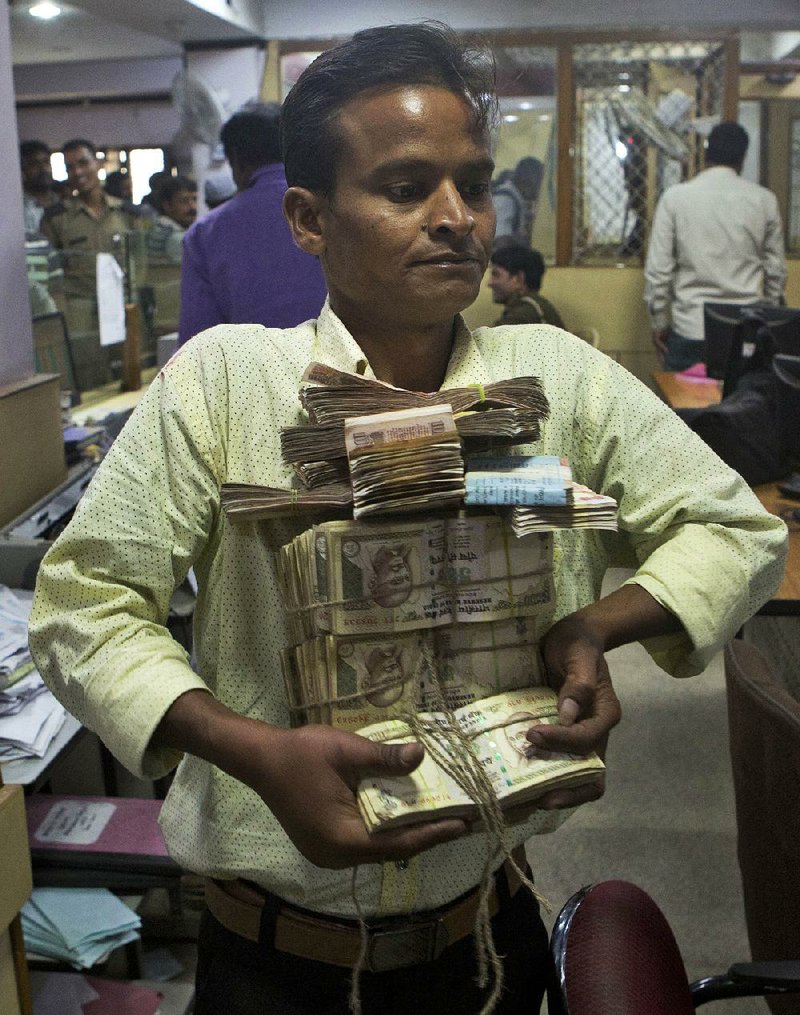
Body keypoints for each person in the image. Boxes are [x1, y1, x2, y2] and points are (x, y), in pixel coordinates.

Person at [29, 23, 786, 1015]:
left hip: (487, 942)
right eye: (402, 187)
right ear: (308, 217)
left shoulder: (552, 381)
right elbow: (82, 607)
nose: (454, 217)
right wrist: (250, 750)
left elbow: (735, 528)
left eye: (470, 184)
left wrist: (594, 627)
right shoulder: (222, 387)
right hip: (271, 957)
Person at [177, 102, 327, 346]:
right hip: (346, 377)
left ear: (236, 159)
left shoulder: (205, 235)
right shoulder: (334, 210)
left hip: (247, 380)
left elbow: (196, 345)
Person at [644, 121, 787, 372]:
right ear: (743, 156)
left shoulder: (676, 198)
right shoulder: (764, 201)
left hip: (690, 328)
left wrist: (659, 321)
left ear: (707, 153)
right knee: (744, 408)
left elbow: (658, 271)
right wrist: (768, 318)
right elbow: (776, 271)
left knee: (681, 410)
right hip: (747, 331)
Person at [41, 138, 150, 388]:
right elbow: (52, 275)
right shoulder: (57, 219)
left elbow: (141, 263)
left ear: (97, 163)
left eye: (83, 163)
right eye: (70, 167)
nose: (77, 172)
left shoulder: (127, 214)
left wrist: (134, 299)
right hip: (82, 313)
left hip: (124, 309)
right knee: (90, 379)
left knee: (133, 376)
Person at [488, 244, 565, 327]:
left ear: (519, 279)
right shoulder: (534, 307)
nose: (490, 283)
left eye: (496, 275)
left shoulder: (522, 316)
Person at [492, 156, 543, 248]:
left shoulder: (516, 198)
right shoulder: (505, 199)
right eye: (539, 182)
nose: (539, 189)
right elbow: (500, 240)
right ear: (529, 179)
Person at [147, 174, 197, 264]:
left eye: (194, 199)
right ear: (168, 206)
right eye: (184, 201)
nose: (193, 207)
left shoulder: (160, 227)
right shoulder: (175, 238)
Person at [19, 139, 59, 235]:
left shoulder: (62, 202)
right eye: (34, 164)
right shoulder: (18, 209)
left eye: (46, 162)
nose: (43, 169)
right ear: (23, 170)